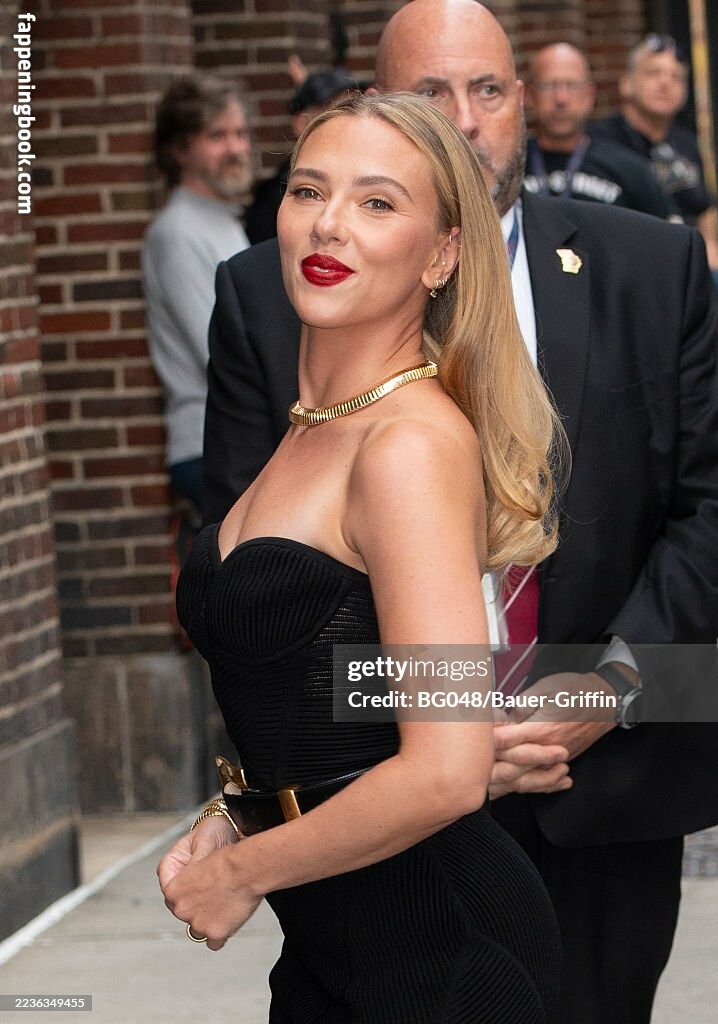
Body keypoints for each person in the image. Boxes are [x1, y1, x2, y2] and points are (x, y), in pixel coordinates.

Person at [200, 3, 718, 1022]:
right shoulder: (272, 291)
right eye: (429, 93)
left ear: (521, 100)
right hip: (377, 814)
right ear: (380, 103)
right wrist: (441, 730)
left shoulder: (650, 264)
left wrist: (611, 686)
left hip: (615, 781)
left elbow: (716, 514)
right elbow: (259, 586)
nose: (463, 118)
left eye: (487, 90)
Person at [159, 92, 572, 1022]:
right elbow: (331, 705)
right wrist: (239, 812)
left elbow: (447, 767)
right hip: (334, 948)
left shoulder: (407, 445)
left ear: (441, 255)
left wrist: (244, 873)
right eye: (309, 189)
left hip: (440, 956)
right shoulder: (315, 425)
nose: (329, 223)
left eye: (377, 202)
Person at [591, 33, 718, 407]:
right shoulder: (602, 144)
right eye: (653, 73)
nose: (665, 83)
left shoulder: (686, 143)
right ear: (626, 84)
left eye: (676, 77)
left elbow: (705, 231)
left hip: (692, 267)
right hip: (642, 276)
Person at [142, 75, 252, 514]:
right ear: (180, 149)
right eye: (217, 136)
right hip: (211, 448)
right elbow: (219, 348)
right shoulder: (177, 232)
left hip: (236, 439)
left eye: (240, 133)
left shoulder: (221, 218)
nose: (236, 148)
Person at [524, 42, 671, 217]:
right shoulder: (510, 168)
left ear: (590, 95)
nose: (561, 98)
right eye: (548, 85)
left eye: (572, 85)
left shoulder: (631, 170)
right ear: (529, 96)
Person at [245, 66, 359, 244]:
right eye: (335, 112)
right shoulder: (274, 195)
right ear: (301, 123)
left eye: (353, 110)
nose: (349, 123)